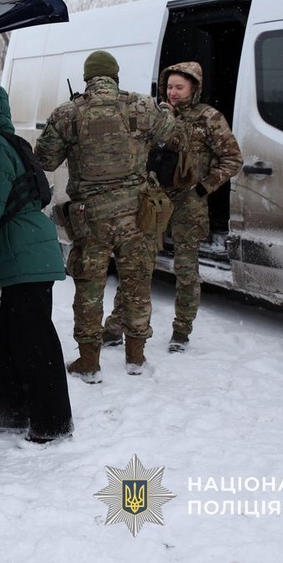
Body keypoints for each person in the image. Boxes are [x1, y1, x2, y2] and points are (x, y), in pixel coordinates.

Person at [35, 50, 174, 382]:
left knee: (89, 289)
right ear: (115, 76)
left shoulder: (68, 113)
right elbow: (169, 132)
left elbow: (45, 159)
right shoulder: (140, 106)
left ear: (87, 79)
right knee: (137, 285)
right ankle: (136, 357)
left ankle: (89, 362)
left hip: (90, 218)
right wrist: (164, 109)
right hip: (136, 216)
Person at [0, 81, 72, 443]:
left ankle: (53, 422)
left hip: (25, 255)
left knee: (35, 342)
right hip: (27, 251)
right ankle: (12, 410)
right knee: (9, 338)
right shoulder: (13, 141)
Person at [150, 62, 243, 352]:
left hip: (189, 204)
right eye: (169, 87)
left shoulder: (209, 118)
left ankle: (181, 331)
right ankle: (121, 325)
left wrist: (204, 186)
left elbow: (232, 159)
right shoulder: (157, 116)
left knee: (185, 269)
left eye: (179, 87)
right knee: (138, 264)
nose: (173, 92)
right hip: (156, 201)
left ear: (193, 88)